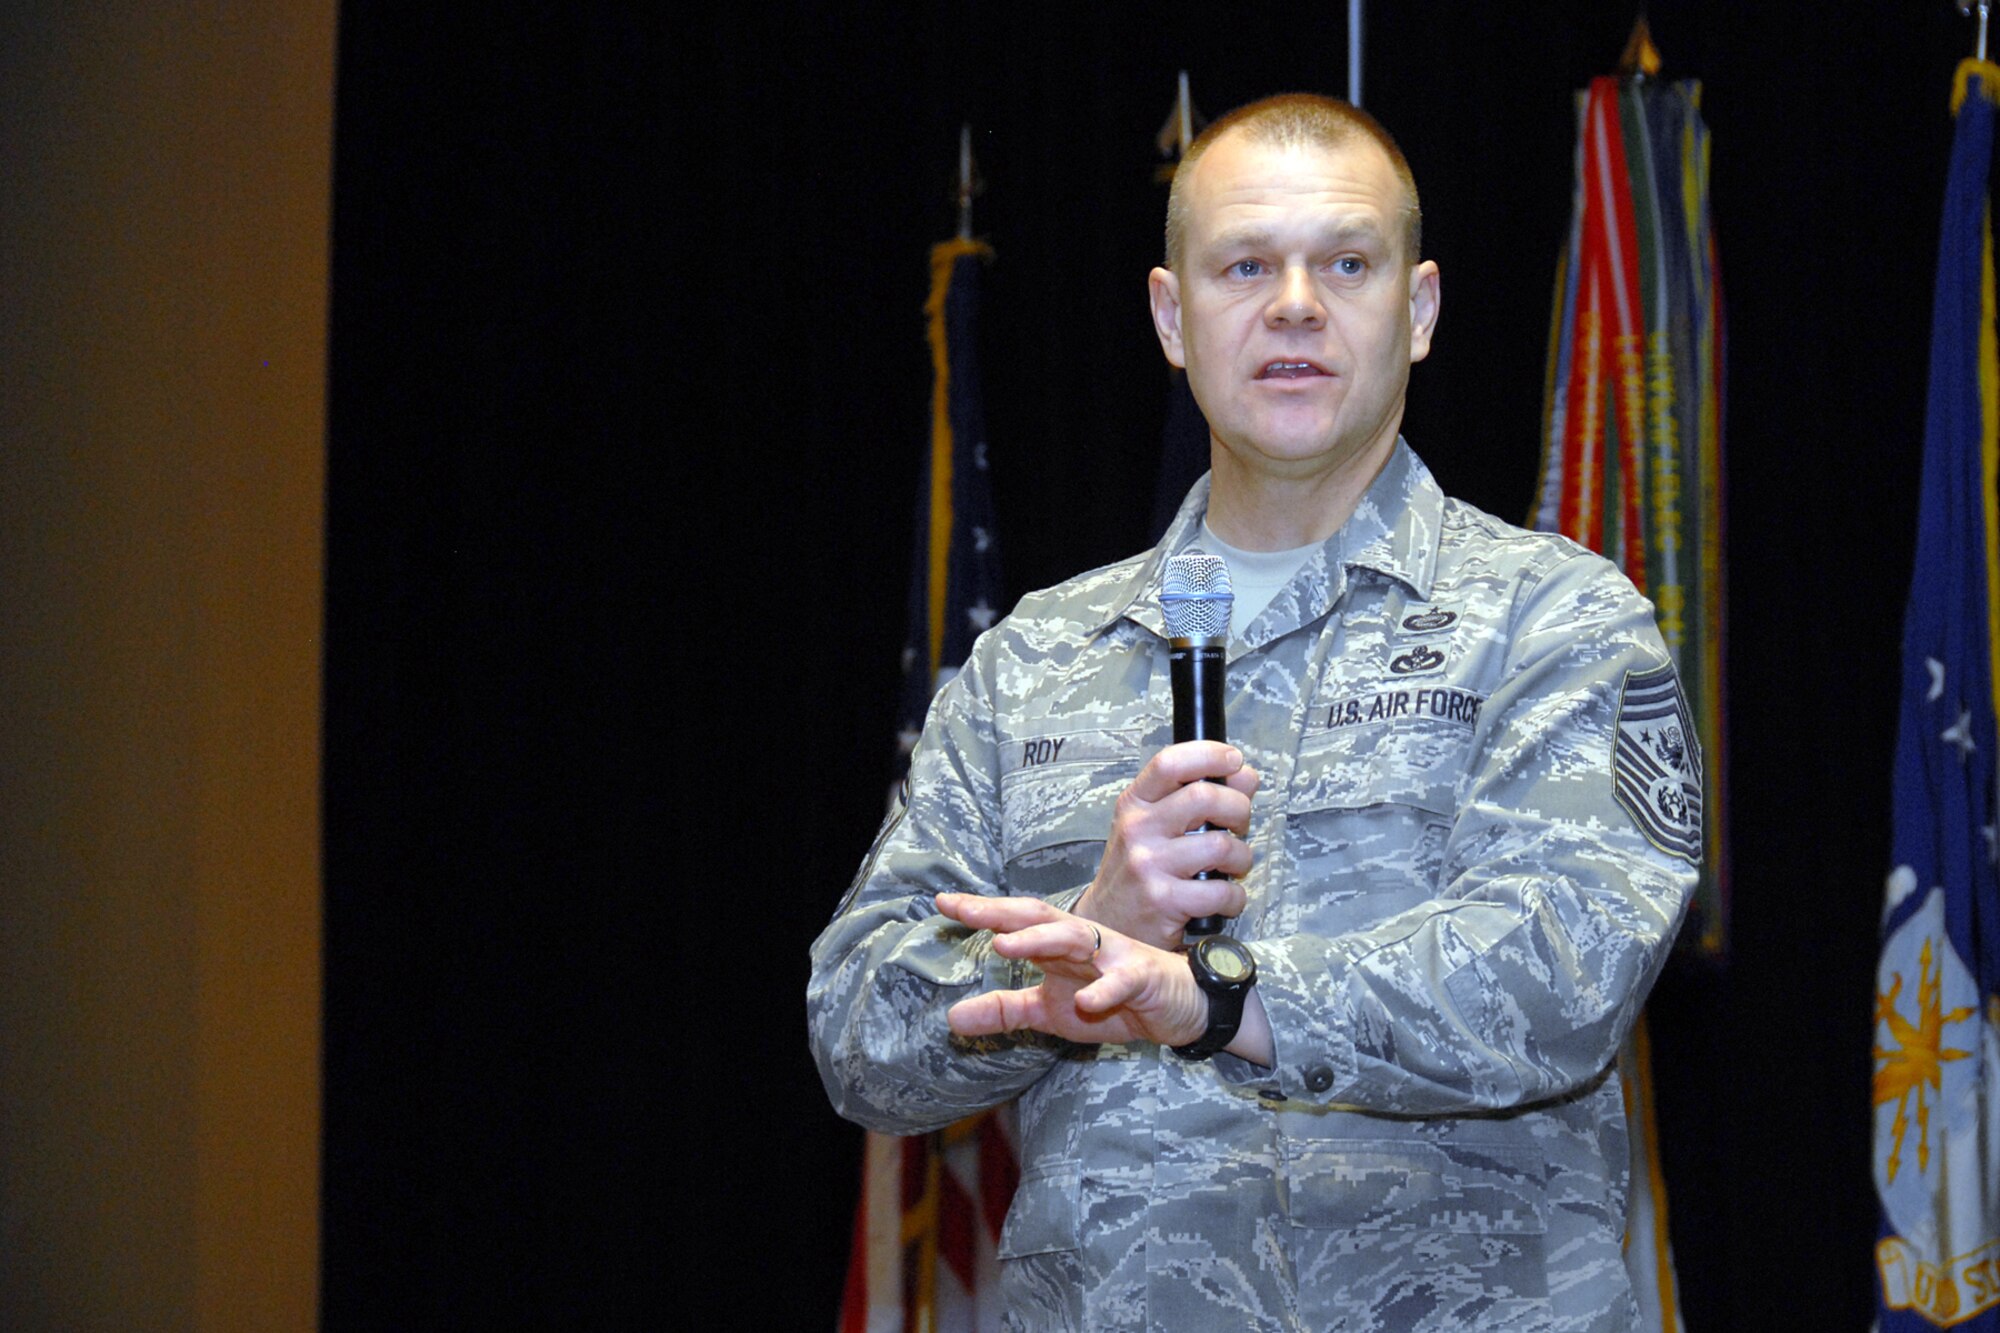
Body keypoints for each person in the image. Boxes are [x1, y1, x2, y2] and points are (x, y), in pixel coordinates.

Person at [809, 93, 1698, 1332]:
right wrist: (1078, 936)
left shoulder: (1557, 624)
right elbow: (856, 1026)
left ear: (1419, 309)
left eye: (1344, 262)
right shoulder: (1034, 662)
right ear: (1173, 318)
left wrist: (1215, 997)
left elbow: (1563, 971)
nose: (1292, 303)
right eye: (1243, 265)